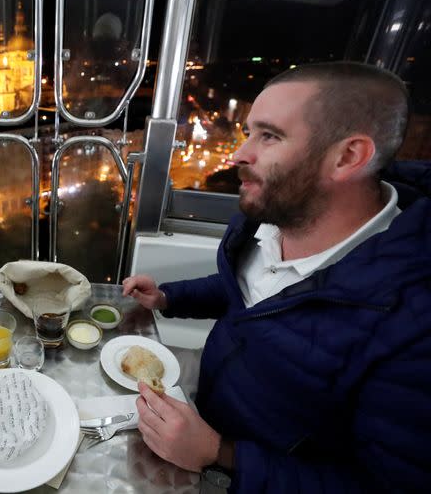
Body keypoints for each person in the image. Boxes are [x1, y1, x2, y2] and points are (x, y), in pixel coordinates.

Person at [123, 62, 430, 492]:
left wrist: (219, 454)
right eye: (249, 133)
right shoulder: (267, 224)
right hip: (211, 413)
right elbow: (250, 297)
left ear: (347, 156)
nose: (239, 155)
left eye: (269, 136)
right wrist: (170, 298)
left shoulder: (413, 327)